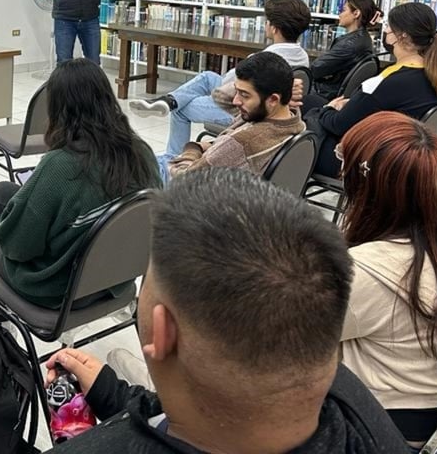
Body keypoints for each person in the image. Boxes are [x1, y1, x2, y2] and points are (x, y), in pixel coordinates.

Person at [44, 169, 409, 454]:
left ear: (162, 332)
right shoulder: (351, 401)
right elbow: (216, 416)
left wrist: (76, 432)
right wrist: (115, 396)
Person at [0, 59, 159, 304]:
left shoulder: (61, 165)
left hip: (60, 289)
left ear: (59, 108)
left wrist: (22, 215)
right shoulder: (142, 152)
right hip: (115, 280)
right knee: (3, 193)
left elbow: (18, 249)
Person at [336, 112, 437, 446]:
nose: (339, 170)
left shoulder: (365, 273)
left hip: (379, 433)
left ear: (361, 181)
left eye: (345, 161)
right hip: (436, 417)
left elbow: (277, 338)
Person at [131, 0, 311, 160]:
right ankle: (168, 100)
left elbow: (230, 90)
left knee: (181, 108)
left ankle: (174, 155)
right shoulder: (302, 56)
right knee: (208, 77)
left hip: (240, 109)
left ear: (273, 27)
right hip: (265, 105)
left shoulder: (262, 61)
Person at [306, 2, 437, 176]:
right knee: (312, 102)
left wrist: (327, 109)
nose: (385, 29)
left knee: (309, 111)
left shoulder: (388, 82)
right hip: (404, 162)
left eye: (389, 25)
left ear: (402, 36)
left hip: (368, 165)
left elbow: (339, 125)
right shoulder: (435, 75)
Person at [163, 52, 304, 181]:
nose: (236, 100)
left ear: (273, 99)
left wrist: (193, 148)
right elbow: (220, 96)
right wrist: (284, 86)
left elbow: (181, 179)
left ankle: (170, 102)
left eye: (244, 94)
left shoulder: (240, 144)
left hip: (191, 193)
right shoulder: (293, 116)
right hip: (236, 188)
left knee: (146, 163)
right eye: (236, 91)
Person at [308, 0, 378, 99]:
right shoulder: (364, 38)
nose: (340, 15)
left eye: (344, 10)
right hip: (338, 91)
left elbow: (316, 69)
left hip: (325, 93)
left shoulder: (349, 44)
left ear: (356, 13)